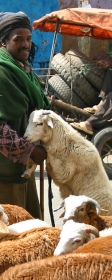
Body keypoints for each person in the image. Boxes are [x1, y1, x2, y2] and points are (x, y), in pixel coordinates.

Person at [0, 12, 51, 219]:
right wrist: (29, 151)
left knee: (30, 229)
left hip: (22, 169)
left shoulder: (23, 70)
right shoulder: (3, 71)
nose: (25, 44)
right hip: (5, 174)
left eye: (28, 39)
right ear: (3, 42)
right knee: (11, 238)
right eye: (18, 39)